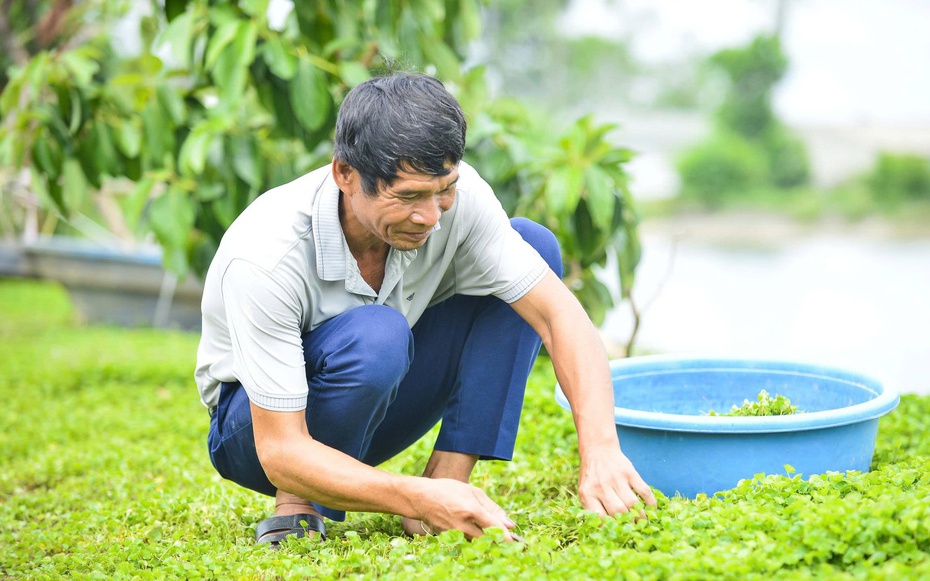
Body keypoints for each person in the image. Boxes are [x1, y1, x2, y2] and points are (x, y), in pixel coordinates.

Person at [194, 72, 655, 546]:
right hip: (258, 435)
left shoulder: (460, 202)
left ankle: (449, 480)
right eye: (408, 196)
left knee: (532, 245)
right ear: (345, 175)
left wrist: (601, 450)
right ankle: (298, 505)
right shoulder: (266, 254)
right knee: (377, 336)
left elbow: (561, 317)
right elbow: (279, 448)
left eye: (443, 189)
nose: (431, 217)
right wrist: (412, 497)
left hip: (380, 403)